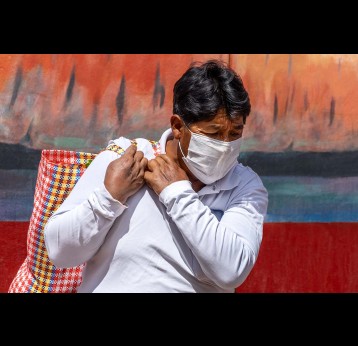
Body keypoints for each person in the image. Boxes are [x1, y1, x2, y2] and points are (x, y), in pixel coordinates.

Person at [44, 59, 268, 293]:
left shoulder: (244, 187)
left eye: (235, 133)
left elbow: (231, 271)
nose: (224, 145)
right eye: (213, 133)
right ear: (178, 127)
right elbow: (60, 252)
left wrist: (178, 193)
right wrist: (109, 199)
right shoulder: (127, 160)